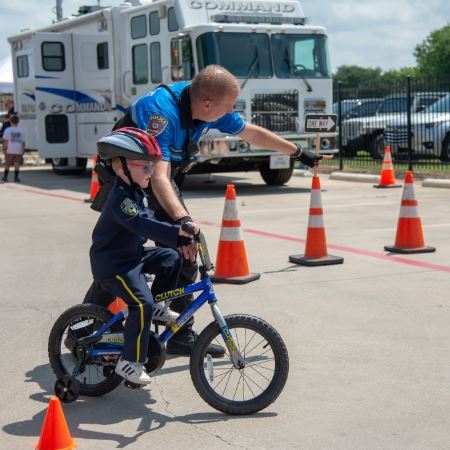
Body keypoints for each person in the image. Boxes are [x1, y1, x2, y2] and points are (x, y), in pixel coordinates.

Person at [87, 64, 326, 357]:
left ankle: (178, 332)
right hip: (130, 179)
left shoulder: (206, 103)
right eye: (229, 106)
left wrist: (299, 153)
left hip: (158, 176)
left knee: (185, 253)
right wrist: (183, 221)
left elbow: (251, 133)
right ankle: (87, 325)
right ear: (208, 104)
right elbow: (160, 178)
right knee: (122, 254)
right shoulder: (161, 112)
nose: (232, 111)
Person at [90, 127, 197, 385]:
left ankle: (159, 306)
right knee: (140, 304)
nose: (151, 172)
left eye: (152, 167)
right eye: (146, 167)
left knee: (171, 259)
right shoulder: (121, 199)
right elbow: (142, 225)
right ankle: (129, 362)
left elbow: (149, 220)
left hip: (132, 256)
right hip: (114, 264)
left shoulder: (138, 193)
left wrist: (179, 232)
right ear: (122, 168)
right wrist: (178, 232)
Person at [2, 115, 26, 183]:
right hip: (18, 149)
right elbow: (23, 142)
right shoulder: (21, 130)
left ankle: (5, 177)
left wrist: (4, 148)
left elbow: (5, 141)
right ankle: (16, 177)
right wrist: (23, 149)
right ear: (18, 122)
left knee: (7, 163)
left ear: (10, 121)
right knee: (17, 163)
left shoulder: (7, 130)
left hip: (10, 149)